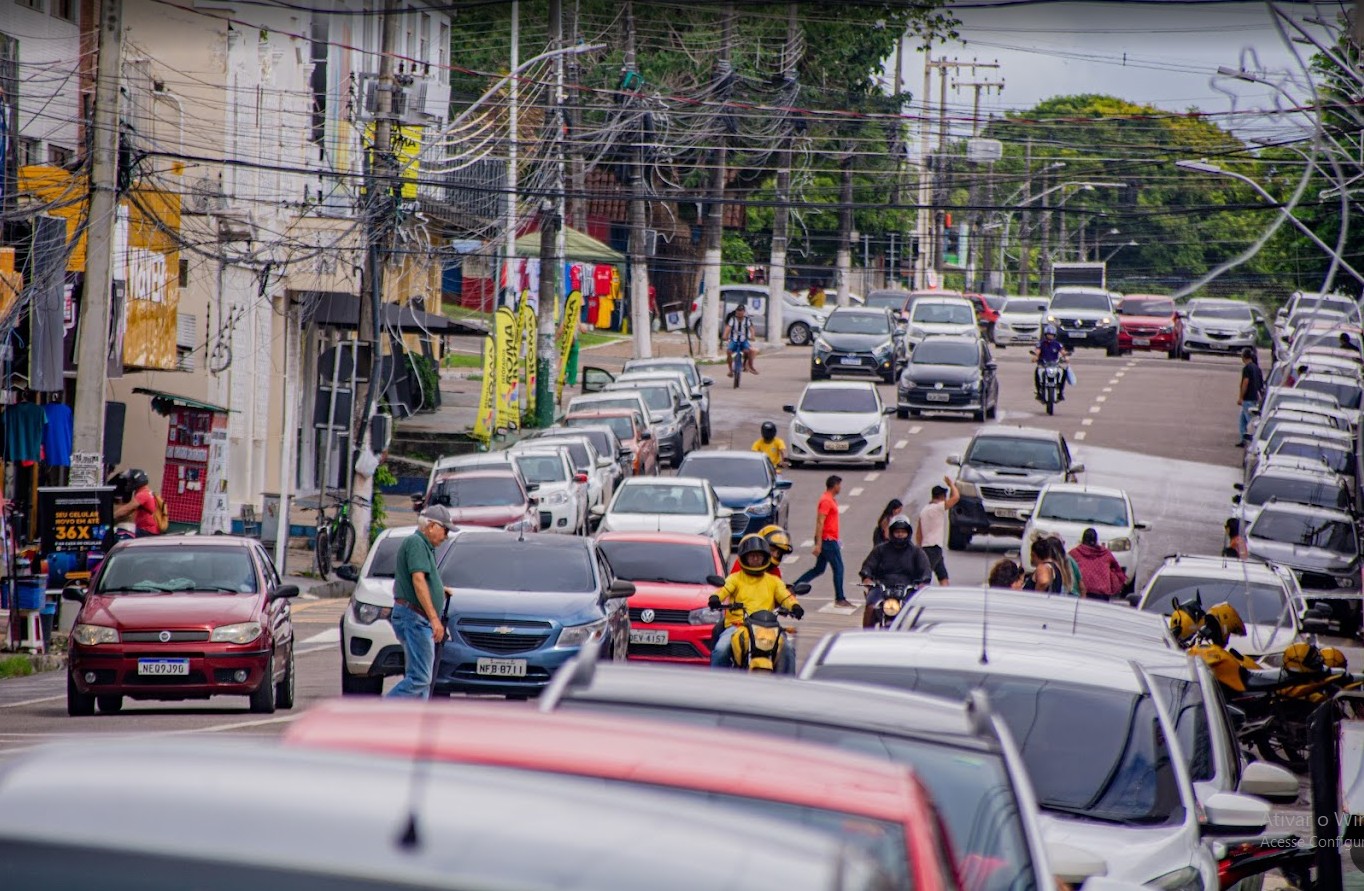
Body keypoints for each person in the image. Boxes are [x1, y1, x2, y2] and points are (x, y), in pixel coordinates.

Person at [386, 506, 458, 699]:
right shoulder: (416, 543)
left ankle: (414, 724)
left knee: (423, 681)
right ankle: (380, 714)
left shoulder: (424, 546)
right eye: (445, 530)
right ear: (432, 526)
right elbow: (418, 580)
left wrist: (437, 589)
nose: (446, 536)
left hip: (416, 617)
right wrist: (435, 619)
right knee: (420, 678)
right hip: (415, 617)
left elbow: (422, 580)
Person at [710, 535, 803, 671]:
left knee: (788, 650)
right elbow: (723, 590)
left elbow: (785, 596)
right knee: (721, 649)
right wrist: (715, 598)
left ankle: (787, 688)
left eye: (759, 556)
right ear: (744, 557)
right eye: (751, 556)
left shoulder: (773, 581)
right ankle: (715, 686)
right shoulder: (735, 578)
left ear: (765, 558)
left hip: (768, 628)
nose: (755, 559)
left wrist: (795, 606)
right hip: (737, 626)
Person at [859, 515, 932, 627]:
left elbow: (926, 571)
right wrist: (867, 577)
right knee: (870, 607)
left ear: (908, 533)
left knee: (917, 611)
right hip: (882, 587)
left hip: (908, 589)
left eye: (903, 532)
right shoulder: (880, 549)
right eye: (897, 531)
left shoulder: (917, 552)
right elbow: (868, 566)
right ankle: (867, 634)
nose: (900, 534)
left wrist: (922, 583)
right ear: (892, 532)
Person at [794, 475, 850, 608]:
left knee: (819, 569)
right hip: (828, 540)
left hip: (830, 539)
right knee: (838, 568)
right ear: (834, 485)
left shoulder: (830, 500)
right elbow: (820, 522)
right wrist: (818, 544)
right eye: (839, 485)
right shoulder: (826, 501)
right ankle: (840, 598)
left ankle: (794, 587)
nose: (840, 488)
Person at [914, 477, 959, 586]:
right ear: (942, 497)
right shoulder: (938, 507)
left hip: (926, 547)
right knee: (925, 576)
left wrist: (919, 547)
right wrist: (951, 485)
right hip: (933, 547)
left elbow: (919, 532)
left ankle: (945, 595)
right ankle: (919, 596)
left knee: (942, 575)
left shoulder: (924, 510)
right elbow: (956, 497)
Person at [1069, 528, 1128, 601]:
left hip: (1081, 591)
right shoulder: (1105, 553)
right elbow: (1118, 571)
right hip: (1102, 592)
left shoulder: (1075, 553)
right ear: (1096, 541)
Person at [112, 469, 160, 538]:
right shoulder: (147, 492)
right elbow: (128, 512)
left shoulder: (143, 494)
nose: (128, 483)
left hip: (147, 531)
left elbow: (127, 509)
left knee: (120, 534)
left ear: (136, 481)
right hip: (147, 529)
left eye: (130, 481)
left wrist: (111, 517)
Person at [1030, 325, 1068, 402]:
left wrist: (1066, 357)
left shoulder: (1057, 344)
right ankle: (1039, 392)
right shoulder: (1041, 344)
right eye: (1048, 334)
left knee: (1064, 372)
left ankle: (1060, 392)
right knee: (1037, 372)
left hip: (1054, 364)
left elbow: (1063, 352)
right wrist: (1035, 357)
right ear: (1045, 335)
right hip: (1043, 365)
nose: (1050, 336)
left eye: (1051, 335)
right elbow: (1037, 351)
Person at [1237, 347, 1264, 447]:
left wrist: (1241, 397)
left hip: (1248, 398)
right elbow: (1261, 385)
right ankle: (1243, 439)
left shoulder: (1247, 368)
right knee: (1242, 420)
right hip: (1255, 397)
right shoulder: (1257, 368)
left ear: (1244, 357)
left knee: (1250, 421)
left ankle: (1252, 440)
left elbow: (1245, 383)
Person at [723, 303, 757, 376]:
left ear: (744, 312)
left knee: (747, 351)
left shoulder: (747, 320)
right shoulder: (733, 319)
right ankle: (730, 370)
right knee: (729, 352)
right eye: (738, 311)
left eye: (741, 311)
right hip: (734, 340)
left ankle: (745, 365)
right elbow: (728, 328)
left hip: (744, 340)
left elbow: (751, 329)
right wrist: (725, 336)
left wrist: (753, 336)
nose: (739, 313)